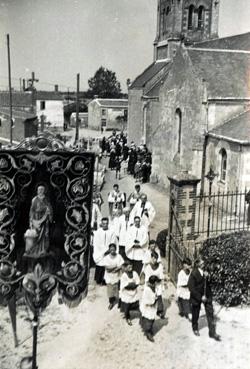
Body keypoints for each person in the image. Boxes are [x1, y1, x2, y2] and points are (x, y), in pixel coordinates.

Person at [188, 258, 221, 341]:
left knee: (210, 312)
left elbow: (211, 282)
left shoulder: (206, 271)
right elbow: (191, 287)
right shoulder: (194, 273)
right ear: (198, 264)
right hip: (197, 296)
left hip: (207, 295)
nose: (204, 264)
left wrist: (208, 277)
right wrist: (200, 297)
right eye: (202, 263)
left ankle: (212, 332)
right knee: (195, 313)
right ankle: (195, 328)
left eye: (204, 263)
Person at [29, 184, 53, 256]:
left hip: (44, 220)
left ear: (44, 191)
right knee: (35, 235)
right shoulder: (34, 199)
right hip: (36, 218)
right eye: (39, 189)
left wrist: (49, 212)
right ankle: (34, 250)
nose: (40, 191)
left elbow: (50, 208)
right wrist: (31, 220)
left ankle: (43, 250)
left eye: (42, 189)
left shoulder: (46, 199)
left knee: (44, 235)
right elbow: (31, 211)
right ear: (37, 190)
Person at [93, 218, 117, 285]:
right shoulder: (98, 232)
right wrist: (103, 251)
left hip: (109, 251)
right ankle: (99, 279)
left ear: (108, 224)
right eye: (103, 223)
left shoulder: (111, 232)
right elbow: (97, 243)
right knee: (100, 263)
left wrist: (109, 250)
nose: (105, 225)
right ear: (101, 224)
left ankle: (105, 280)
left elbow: (113, 242)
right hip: (100, 251)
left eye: (106, 223)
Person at [141, 251, 165, 318]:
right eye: (153, 258)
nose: (154, 260)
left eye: (155, 258)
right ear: (151, 258)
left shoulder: (160, 266)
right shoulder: (148, 267)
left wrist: (157, 281)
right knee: (148, 296)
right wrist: (151, 284)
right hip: (149, 284)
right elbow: (147, 279)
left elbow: (161, 276)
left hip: (157, 283)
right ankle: (146, 310)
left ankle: (159, 311)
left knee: (159, 296)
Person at [103, 243, 124, 310]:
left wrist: (117, 268)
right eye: (111, 249)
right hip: (109, 276)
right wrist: (116, 267)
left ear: (115, 249)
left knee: (118, 290)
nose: (112, 251)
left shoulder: (119, 256)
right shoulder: (106, 258)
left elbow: (122, 265)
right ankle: (111, 303)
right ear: (109, 250)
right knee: (110, 291)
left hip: (117, 276)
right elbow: (107, 268)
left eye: (114, 249)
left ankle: (120, 303)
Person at [140, 275, 161, 342]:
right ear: (154, 283)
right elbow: (145, 300)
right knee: (148, 319)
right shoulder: (147, 289)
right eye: (157, 282)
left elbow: (157, 294)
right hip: (148, 307)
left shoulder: (155, 287)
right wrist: (153, 301)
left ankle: (149, 328)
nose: (158, 284)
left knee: (152, 319)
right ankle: (148, 332)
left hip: (153, 306)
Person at [120, 261, 140, 325]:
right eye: (129, 267)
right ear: (125, 268)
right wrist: (132, 284)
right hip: (126, 293)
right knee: (127, 306)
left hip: (134, 292)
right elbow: (125, 285)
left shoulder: (135, 273)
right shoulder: (124, 275)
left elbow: (138, 282)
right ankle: (127, 317)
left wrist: (132, 284)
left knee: (136, 304)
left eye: (131, 266)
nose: (130, 268)